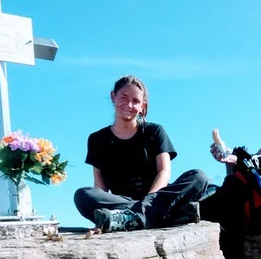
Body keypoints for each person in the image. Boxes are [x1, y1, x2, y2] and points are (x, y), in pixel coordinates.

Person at [74, 75, 209, 232]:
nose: (129, 105)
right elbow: (99, 185)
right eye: (124, 97)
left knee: (200, 177)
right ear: (113, 96)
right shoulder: (97, 139)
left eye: (136, 101)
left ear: (142, 105)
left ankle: (136, 217)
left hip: (156, 197)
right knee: (83, 195)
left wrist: (148, 203)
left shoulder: (154, 131)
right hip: (121, 201)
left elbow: (164, 172)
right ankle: (166, 216)